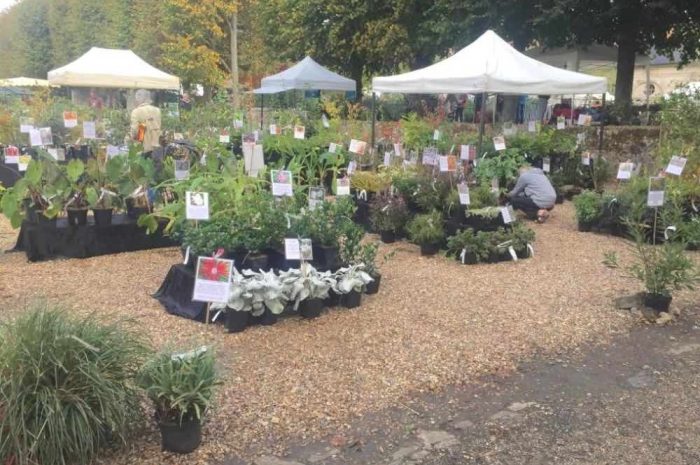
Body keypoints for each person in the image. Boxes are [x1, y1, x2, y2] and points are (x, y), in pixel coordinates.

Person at [130, 89, 162, 156]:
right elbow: (159, 126)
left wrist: (131, 138)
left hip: (143, 148)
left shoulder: (136, 112)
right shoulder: (157, 110)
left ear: (139, 98)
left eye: (136, 98)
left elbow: (134, 131)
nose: (136, 100)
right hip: (156, 147)